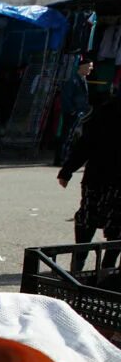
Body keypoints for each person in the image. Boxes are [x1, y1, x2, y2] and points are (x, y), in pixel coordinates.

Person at [58, 91, 121, 272]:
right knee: (115, 225)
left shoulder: (103, 111)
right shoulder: (105, 111)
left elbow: (85, 144)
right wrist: (67, 170)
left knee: (88, 219)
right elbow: (86, 144)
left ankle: (79, 264)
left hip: (96, 177)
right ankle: (106, 268)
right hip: (108, 179)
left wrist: (67, 170)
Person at [54, 55, 93, 166]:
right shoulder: (73, 80)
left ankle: (65, 157)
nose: (91, 69)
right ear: (82, 67)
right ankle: (60, 159)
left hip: (79, 113)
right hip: (72, 112)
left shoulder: (82, 79)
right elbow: (66, 97)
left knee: (70, 136)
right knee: (66, 135)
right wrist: (72, 111)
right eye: (89, 66)